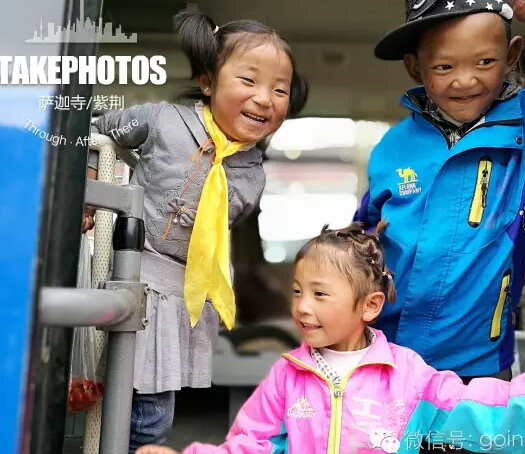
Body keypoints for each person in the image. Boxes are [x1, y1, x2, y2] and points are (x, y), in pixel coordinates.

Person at [134, 223, 525, 454]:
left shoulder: (409, 375)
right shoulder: (287, 376)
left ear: (369, 306)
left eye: (321, 294)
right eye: (298, 291)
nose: (302, 307)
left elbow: (486, 412)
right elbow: (249, 448)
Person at [84, 8, 308, 452]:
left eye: (279, 89)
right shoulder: (163, 119)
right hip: (125, 267)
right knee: (110, 398)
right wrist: (90, 181)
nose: (265, 98)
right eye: (249, 81)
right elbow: (95, 131)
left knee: (153, 415)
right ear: (208, 83)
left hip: (179, 290)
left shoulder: (252, 173)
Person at [353, 0, 525, 384]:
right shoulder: (392, 147)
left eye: (485, 62)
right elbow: (361, 242)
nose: (465, 81)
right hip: (383, 354)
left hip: (479, 363)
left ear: (510, 57)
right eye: (444, 66)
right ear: (415, 67)